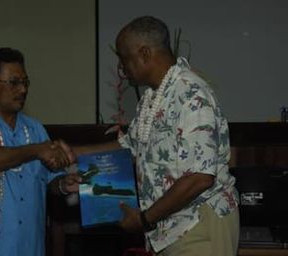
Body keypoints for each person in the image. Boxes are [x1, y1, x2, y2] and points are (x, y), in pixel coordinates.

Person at [73, 16, 239, 256]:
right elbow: (128, 148)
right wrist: (69, 153)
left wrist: (144, 219)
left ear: (144, 53)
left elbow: (200, 177)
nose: (121, 68)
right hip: (170, 229)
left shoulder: (191, 94)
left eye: (123, 58)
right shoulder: (152, 98)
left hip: (198, 226)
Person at [0, 47, 80, 256]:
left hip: (29, 248)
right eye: (14, 83)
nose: (22, 90)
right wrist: (38, 150)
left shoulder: (35, 129)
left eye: (25, 82)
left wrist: (64, 185)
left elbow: (50, 181)